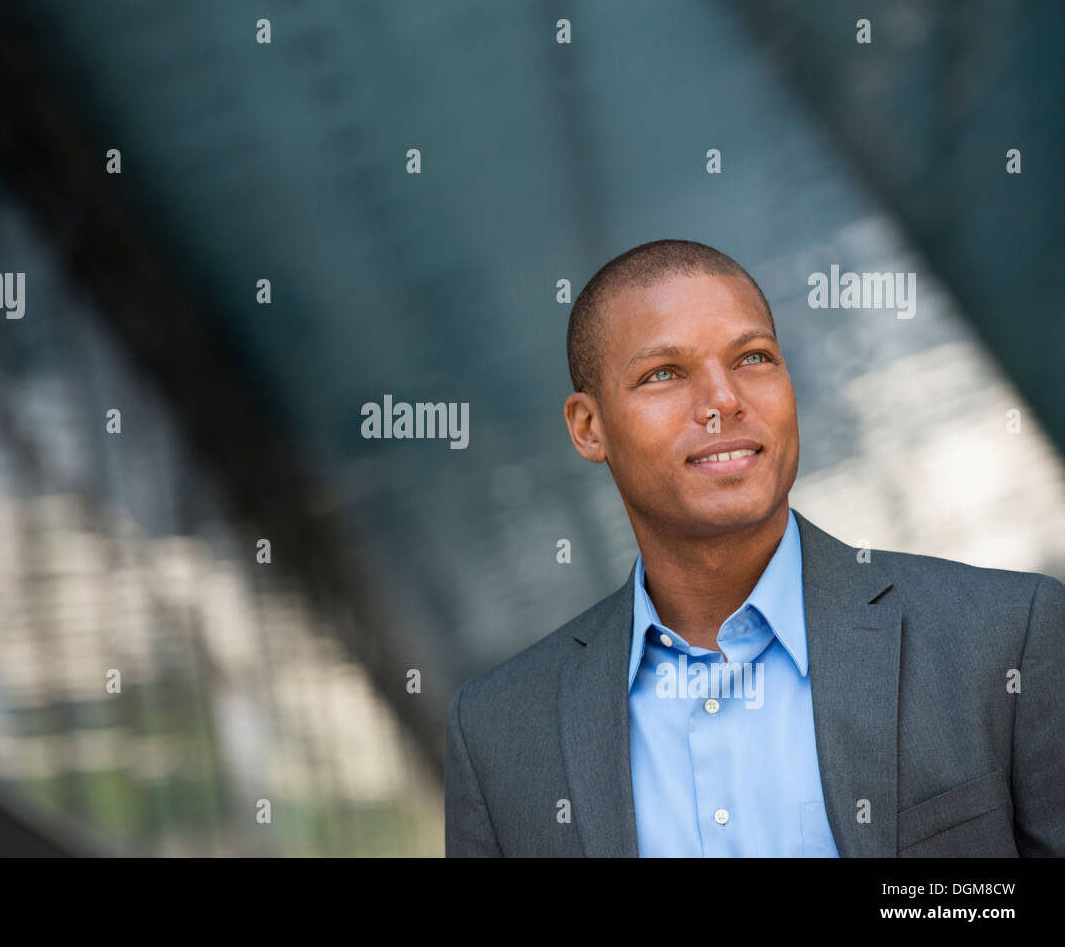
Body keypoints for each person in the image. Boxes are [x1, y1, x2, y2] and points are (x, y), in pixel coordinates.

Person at [444, 239, 1065, 857]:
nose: (722, 402)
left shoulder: (1005, 638)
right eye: (664, 373)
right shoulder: (499, 732)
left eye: (753, 358)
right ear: (589, 426)